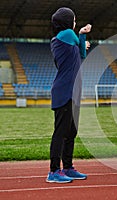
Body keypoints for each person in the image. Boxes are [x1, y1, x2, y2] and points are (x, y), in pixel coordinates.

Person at [46, 7, 92, 183]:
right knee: (60, 132)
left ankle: (68, 167)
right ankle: (54, 171)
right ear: (67, 22)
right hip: (64, 91)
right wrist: (80, 34)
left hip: (74, 92)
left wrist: (82, 37)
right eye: (73, 19)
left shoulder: (68, 38)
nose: (75, 22)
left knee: (71, 132)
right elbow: (78, 44)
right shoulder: (65, 35)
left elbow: (82, 54)